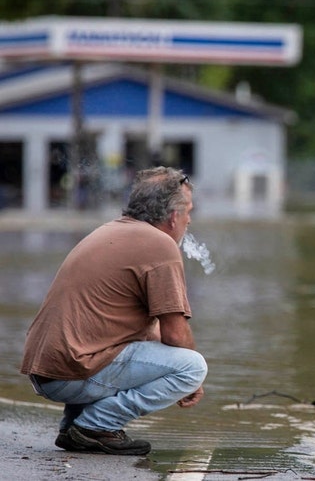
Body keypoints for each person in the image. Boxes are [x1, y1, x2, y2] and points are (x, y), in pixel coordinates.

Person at [20, 166, 208, 456]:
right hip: (70, 372)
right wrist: (193, 383)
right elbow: (175, 333)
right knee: (192, 366)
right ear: (173, 217)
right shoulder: (159, 245)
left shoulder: (113, 230)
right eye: (188, 212)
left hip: (48, 370)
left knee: (134, 343)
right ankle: (96, 426)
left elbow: (151, 330)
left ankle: (74, 427)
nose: (189, 220)